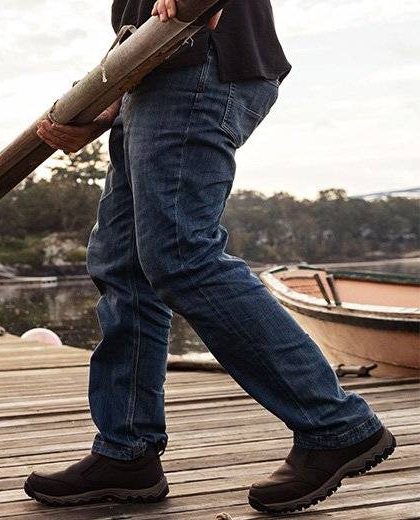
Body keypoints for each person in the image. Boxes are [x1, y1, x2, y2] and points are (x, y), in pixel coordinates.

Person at [25, 0, 396, 513]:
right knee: (123, 265)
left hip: (198, 64)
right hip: (152, 73)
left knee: (181, 255)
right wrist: (105, 98)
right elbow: (137, 17)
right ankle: (127, 453)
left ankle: (334, 424)